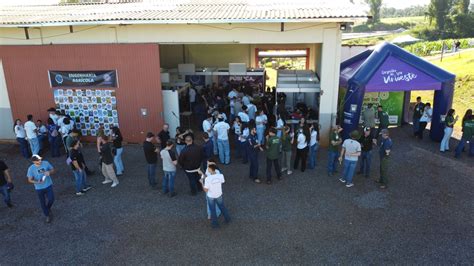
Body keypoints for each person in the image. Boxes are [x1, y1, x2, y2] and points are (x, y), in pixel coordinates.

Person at [199, 164, 231, 229]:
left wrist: (202, 183)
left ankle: (215, 225)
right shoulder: (221, 175)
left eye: (208, 168)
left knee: (212, 210)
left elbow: (205, 190)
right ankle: (228, 219)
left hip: (211, 196)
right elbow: (222, 181)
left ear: (211, 169)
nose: (207, 170)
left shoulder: (208, 179)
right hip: (219, 194)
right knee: (222, 207)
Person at [27, 155, 55, 223]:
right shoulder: (31, 169)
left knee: (51, 199)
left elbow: (53, 170)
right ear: (33, 161)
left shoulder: (46, 163)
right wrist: (37, 182)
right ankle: (47, 215)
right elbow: (29, 180)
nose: (40, 161)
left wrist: (49, 172)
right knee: (42, 202)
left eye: (40, 160)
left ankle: (47, 208)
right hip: (39, 188)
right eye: (38, 161)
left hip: (48, 185)